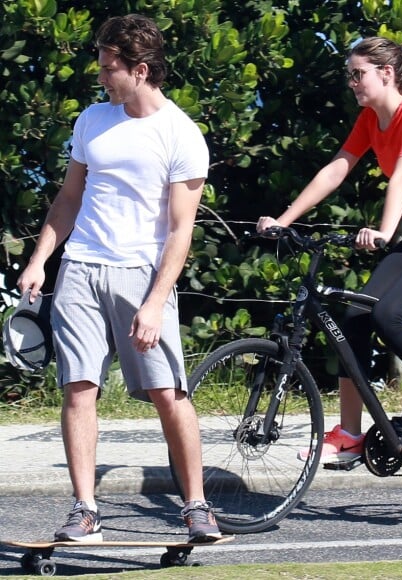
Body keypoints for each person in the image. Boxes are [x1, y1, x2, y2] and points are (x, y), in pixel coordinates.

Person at [17, 14, 221, 543]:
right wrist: (42, 259)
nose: (102, 75)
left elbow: (180, 232)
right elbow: (68, 198)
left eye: (110, 67)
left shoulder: (181, 135)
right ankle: (85, 511)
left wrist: (154, 303)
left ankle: (196, 505)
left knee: (166, 391)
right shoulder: (91, 120)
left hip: (141, 274)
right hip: (82, 266)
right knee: (79, 389)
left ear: (141, 69)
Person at [257, 37, 402, 462]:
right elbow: (336, 169)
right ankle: (350, 433)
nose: (352, 82)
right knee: (355, 316)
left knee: (390, 314)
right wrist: (283, 220)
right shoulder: (370, 120)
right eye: (349, 75)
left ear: (386, 74)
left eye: (358, 74)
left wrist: (385, 231)